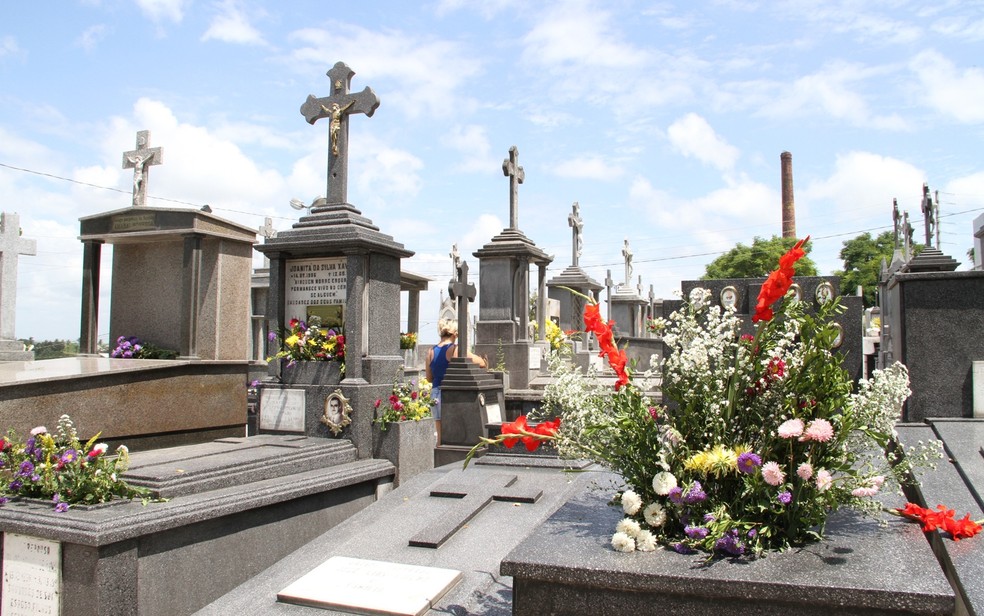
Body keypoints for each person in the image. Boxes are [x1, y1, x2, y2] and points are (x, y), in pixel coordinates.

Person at [425, 319, 486, 444]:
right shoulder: (455, 349)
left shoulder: (431, 351)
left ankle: (439, 456)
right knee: (454, 434)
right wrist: (483, 359)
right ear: (455, 333)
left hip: (435, 392)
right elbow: (481, 363)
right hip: (450, 394)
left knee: (440, 434)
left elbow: (429, 378)